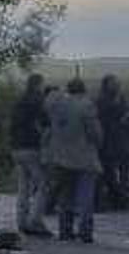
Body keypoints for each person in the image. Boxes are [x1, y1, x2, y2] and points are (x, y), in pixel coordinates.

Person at [44, 78, 103, 243]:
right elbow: (95, 133)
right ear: (83, 89)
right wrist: (99, 143)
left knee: (65, 196)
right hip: (84, 156)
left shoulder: (56, 105)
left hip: (61, 156)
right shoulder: (86, 105)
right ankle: (85, 231)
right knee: (85, 196)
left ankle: (65, 230)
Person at [9, 73, 52, 235]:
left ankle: (21, 220)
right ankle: (35, 221)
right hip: (32, 147)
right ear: (38, 85)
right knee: (42, 185)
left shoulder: (19, 101)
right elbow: (46, 123)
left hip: (17, 148)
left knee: (23, 186)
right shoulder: (38, 102)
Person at [96, 75, 129, 209]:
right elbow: (103, 116)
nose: (116, 85)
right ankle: (110, 199)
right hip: (106, 141)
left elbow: (125, 113)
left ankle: (118, 199)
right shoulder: (102, 100)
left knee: (118, 172)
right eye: (113, 83)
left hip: (119, 140)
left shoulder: (120, 99)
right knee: (107, 172)